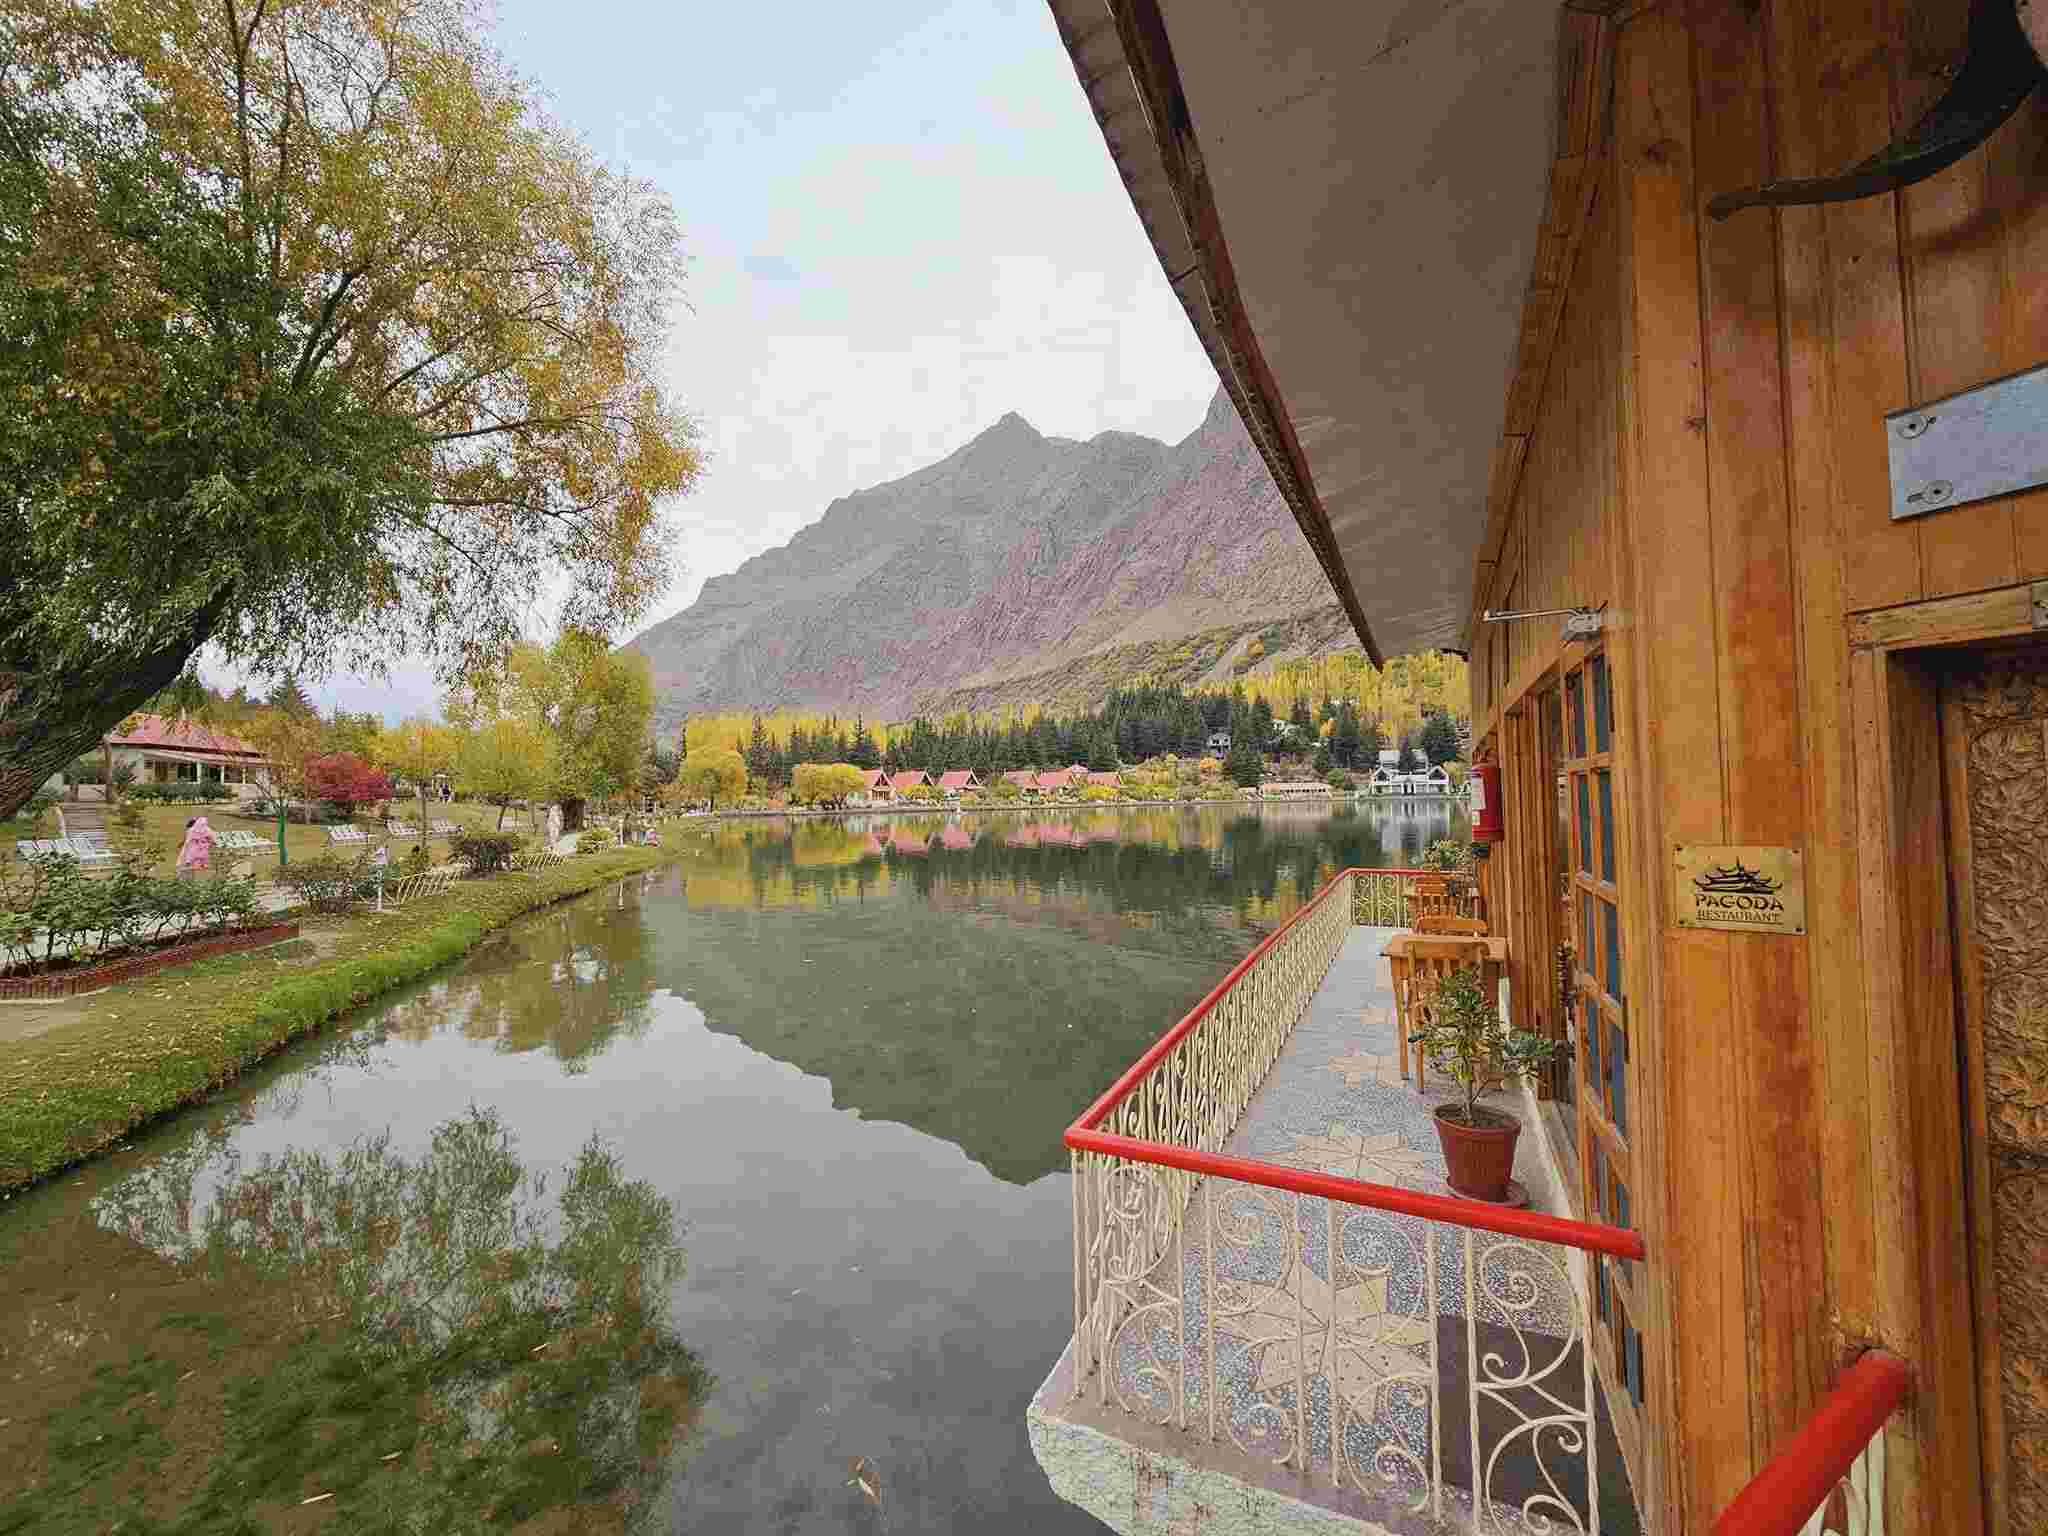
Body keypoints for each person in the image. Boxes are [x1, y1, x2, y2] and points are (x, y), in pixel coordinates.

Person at [176, 814, 214, 881]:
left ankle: (182, 876)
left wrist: (180, 844)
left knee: (185, 862)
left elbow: (185, 840)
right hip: (196, 849)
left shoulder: (190, 830)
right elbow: (209, 840)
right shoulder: (204, 830)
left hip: (189, 848)